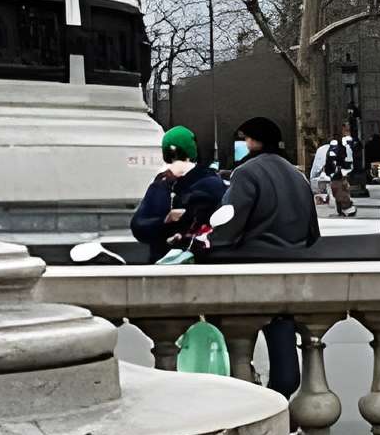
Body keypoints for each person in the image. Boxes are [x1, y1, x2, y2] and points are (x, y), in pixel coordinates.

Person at [198, 115, 320, 395]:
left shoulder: (247, 173)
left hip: (253, 268)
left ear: (253, 141)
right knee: (282, 337)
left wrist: (207, 242)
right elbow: (313, 232)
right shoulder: (297, 176)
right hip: (291, 270)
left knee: (236, 339)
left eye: (245, 138)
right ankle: (284, 391)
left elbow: (229, 224)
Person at [131, 127, 223, 259]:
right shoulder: (212, 181)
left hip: (162, 260)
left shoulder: (161, 183)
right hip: (201, 258)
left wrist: (164, 220)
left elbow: (139, 227)